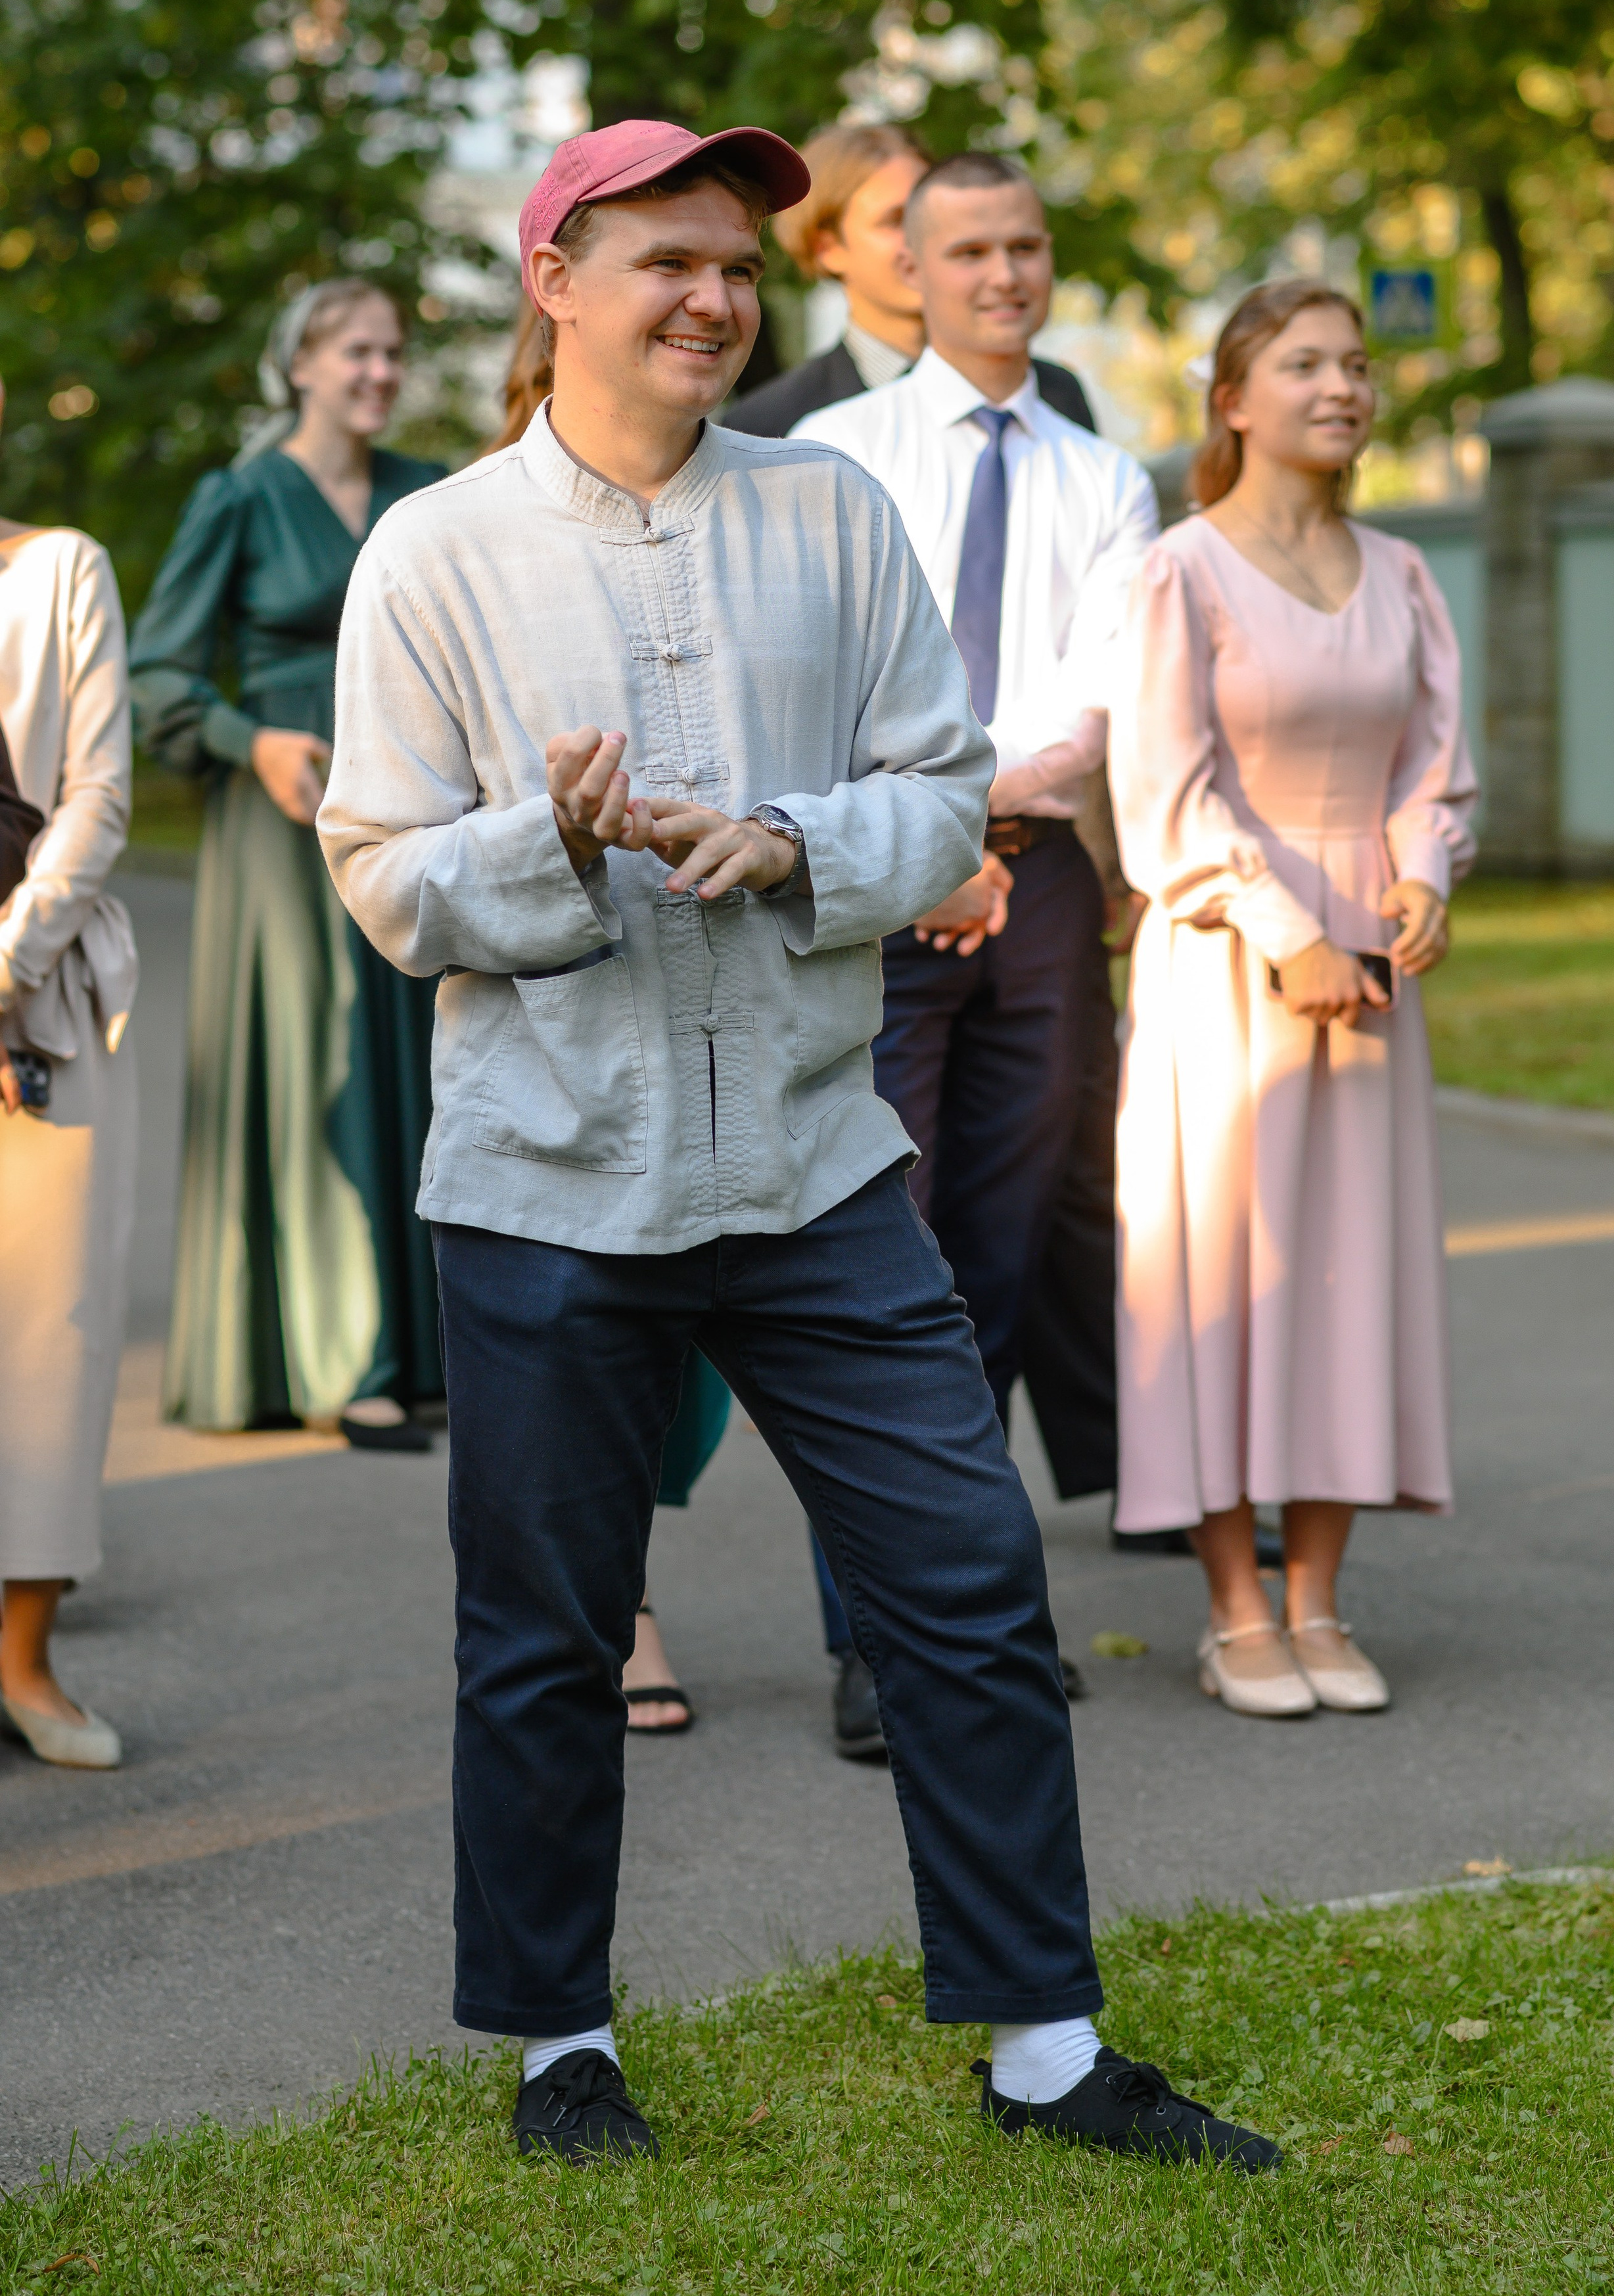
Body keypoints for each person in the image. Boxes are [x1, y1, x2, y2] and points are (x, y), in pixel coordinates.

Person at [317, 116, 1279, 2174]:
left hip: (820, 1171)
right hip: (551, 1182)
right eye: (666, 259)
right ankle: (559, 2042)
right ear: (555, 281)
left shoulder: (832, 514)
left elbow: (945, 797)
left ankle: (1045, 2051)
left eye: (740, 266)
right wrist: (545, 842)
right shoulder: (438, 551)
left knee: (965, 1578)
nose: (712, 297)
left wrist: (802, 843)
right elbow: (384, 880)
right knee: (547, 1638)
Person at [729, 128, 1131, 1756]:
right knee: (877, 1270)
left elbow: (1102, 686)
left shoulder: (1102, 468)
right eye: (964, 250)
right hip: (874, 877)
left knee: (1002, 1253)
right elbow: (812, 679)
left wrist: (979, 819)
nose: (999, 275)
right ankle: (871, 1645)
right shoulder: (836, 452)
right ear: (907, 261)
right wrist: (925, 834)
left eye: (1023, 247)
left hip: (1030, 888)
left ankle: (978, 1619)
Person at [1110, 281, 1477, 1718]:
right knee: (1221, 1270)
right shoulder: (1178, 573)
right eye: (1305, 363)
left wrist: (1423, 875)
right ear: (1231, 399)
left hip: (1372, 978)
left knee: (1348, 1270)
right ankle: (1231, 1604)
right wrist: (1281, 928)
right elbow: (1160, 789)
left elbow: (1426, 770)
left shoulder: (1401, 573)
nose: (1340, 386)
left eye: (1356, 364)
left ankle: (1320, 1600)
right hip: (1223, 963)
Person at [128, 281, 445, 1446]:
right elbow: (157, 674)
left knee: (418, 1061)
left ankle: (428, 1346)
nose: (377, 371)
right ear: (299, 364)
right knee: (321, 1065)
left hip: (413, 806)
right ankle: (339, 1356)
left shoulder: (426, 492)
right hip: (283, 821)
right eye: (355, 350)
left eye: (392, 353)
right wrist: (246, 741)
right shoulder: (243, 495)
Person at [482, 297, 730, 1736]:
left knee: (690, 1349)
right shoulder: (467, 538)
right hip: (552, 1027)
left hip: (730, 1023)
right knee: (583, 1338)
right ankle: (617, 1603)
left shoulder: (763, 514)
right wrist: (554, 839)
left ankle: (629, 1563)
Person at [0, 371, 139, 1770]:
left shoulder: (57, 574)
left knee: (52, 1330)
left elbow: (98, 790)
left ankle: (28, 1663)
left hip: (42, 994)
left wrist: (9, 962)